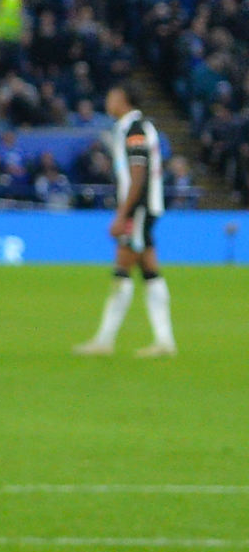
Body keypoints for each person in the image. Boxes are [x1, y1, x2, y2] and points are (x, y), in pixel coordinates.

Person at [76, 83, 177, 359]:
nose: (108, 101)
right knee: (150, 271)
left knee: (122, 269)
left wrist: (123, 214)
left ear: (123, 99)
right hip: (142, 208)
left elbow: (139, 175)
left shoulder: (135, 129)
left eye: (111, 96)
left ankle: (104, 341)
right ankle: (165, 341)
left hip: (139, 209)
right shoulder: (129, 128)